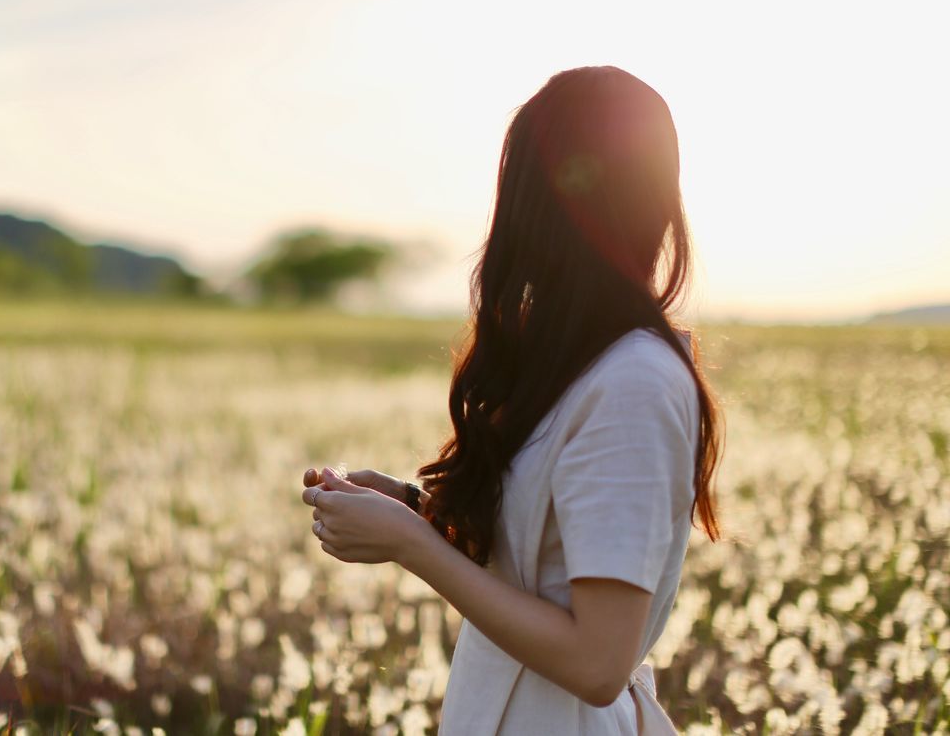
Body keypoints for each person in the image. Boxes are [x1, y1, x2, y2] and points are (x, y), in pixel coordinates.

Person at [301, 65, 723, 734]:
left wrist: (414, 545)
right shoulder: (582, 361)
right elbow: (542, 566)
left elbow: (598, 660)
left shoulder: (634, 382)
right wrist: (418, 510)